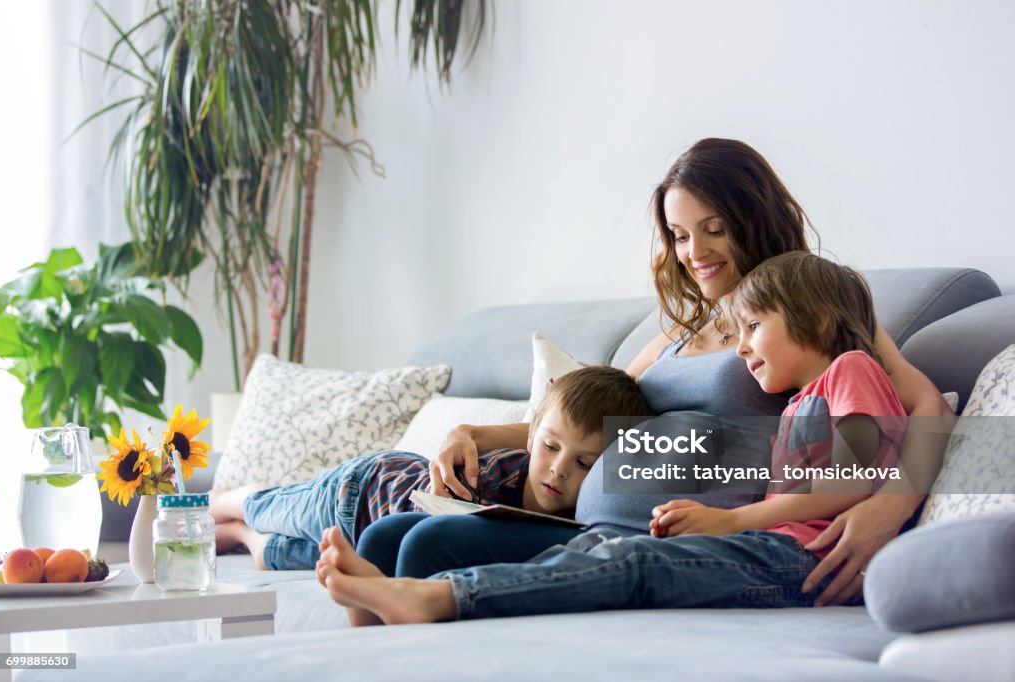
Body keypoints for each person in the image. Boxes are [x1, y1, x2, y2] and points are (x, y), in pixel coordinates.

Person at [354, 138, 950, 606]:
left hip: (666, 542)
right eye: (681, 234)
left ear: (755, 216)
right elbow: (589, 414)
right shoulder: (679, 332)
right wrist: (474, 436)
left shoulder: (810, 314)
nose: (696, 252)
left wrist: (891, 504)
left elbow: (928, 408)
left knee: (427, 545)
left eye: (715, 228)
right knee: (388, 537)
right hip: (588, 525)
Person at [315, 252, 909, 624]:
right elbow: (581, 412)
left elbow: (858, 480)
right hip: (770, 546)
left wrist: (730, 519)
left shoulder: (852, 369)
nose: (743, 343)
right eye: (677, 234)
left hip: (799, 562)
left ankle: (439, 598)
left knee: (628, 562)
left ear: (821, 321)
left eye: (754, 327)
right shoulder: (799, 401)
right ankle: (390, 621)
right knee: (587, 554)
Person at [209, 365, 652, 570]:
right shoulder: (495, 476)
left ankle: (237, 536)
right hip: (359, 491)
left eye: (583, 464)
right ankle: (227, 500)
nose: (557, 470)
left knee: (275, 555)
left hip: (361, 540)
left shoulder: (580, 522)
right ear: (532, 433)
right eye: (550, 447)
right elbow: (420, 536)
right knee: (266, 507)